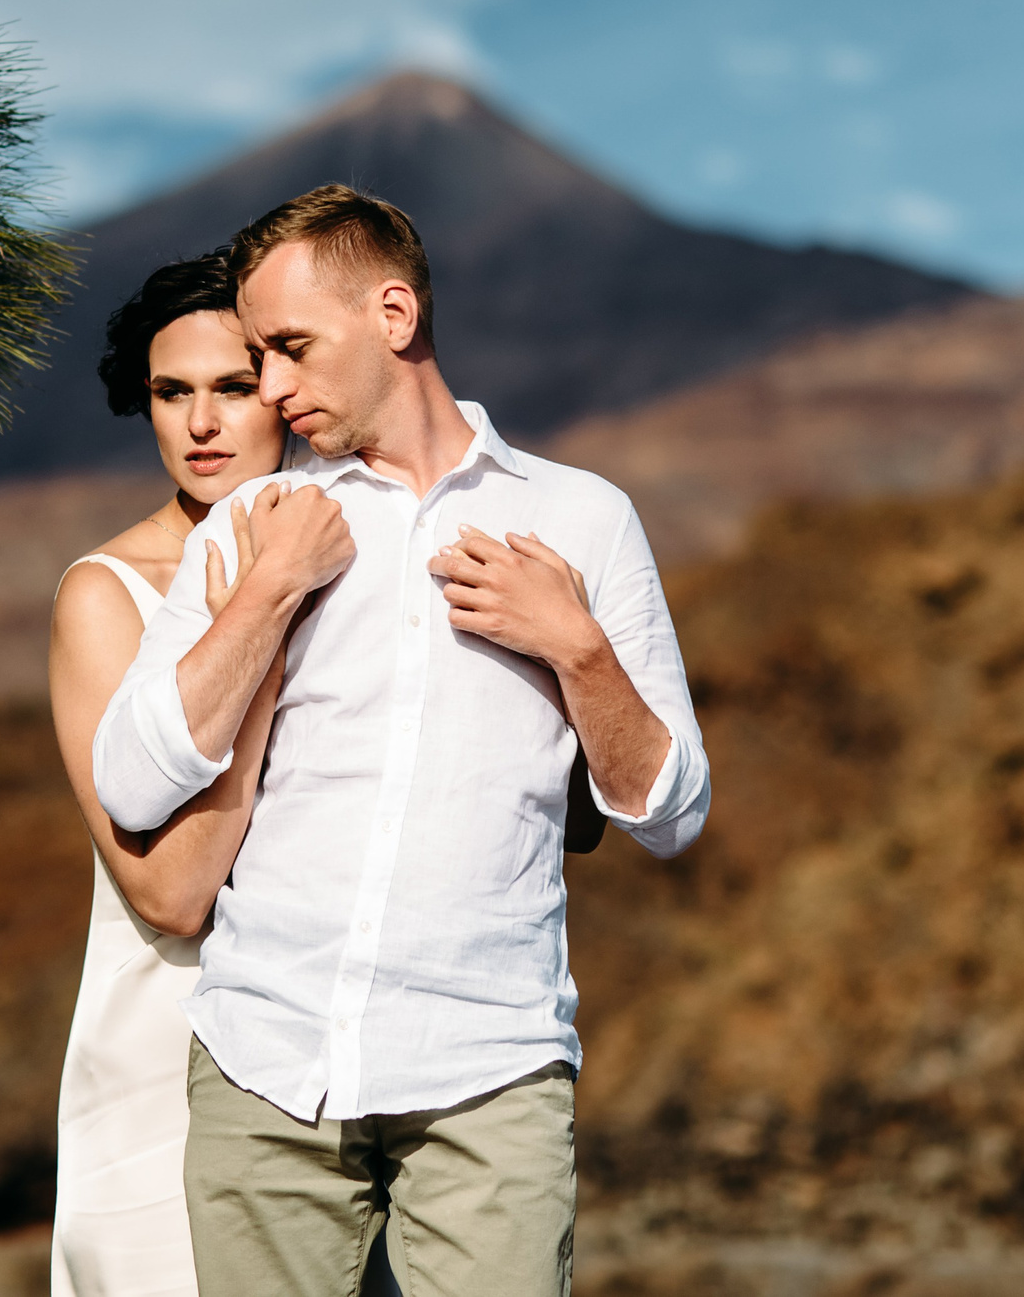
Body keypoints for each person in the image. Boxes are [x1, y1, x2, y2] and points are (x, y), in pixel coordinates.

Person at [91, 186, 711, 1296]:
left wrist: (577, 651)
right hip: (264, 1068)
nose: (270, 390)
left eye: (288, 349)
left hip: (489, 1078)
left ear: (391, 315)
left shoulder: (582, 519)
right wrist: (267, 592)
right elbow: (131, 783)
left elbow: (673, 813)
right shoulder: (255, 525)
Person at [48, 252, 295, 1296]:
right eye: (171, 392)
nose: (200, 424)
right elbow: (167, 890)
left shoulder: (359, 561)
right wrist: (269, 620)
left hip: (337, 1062)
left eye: (233, 388)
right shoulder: (106, 597)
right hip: (161, 1070)